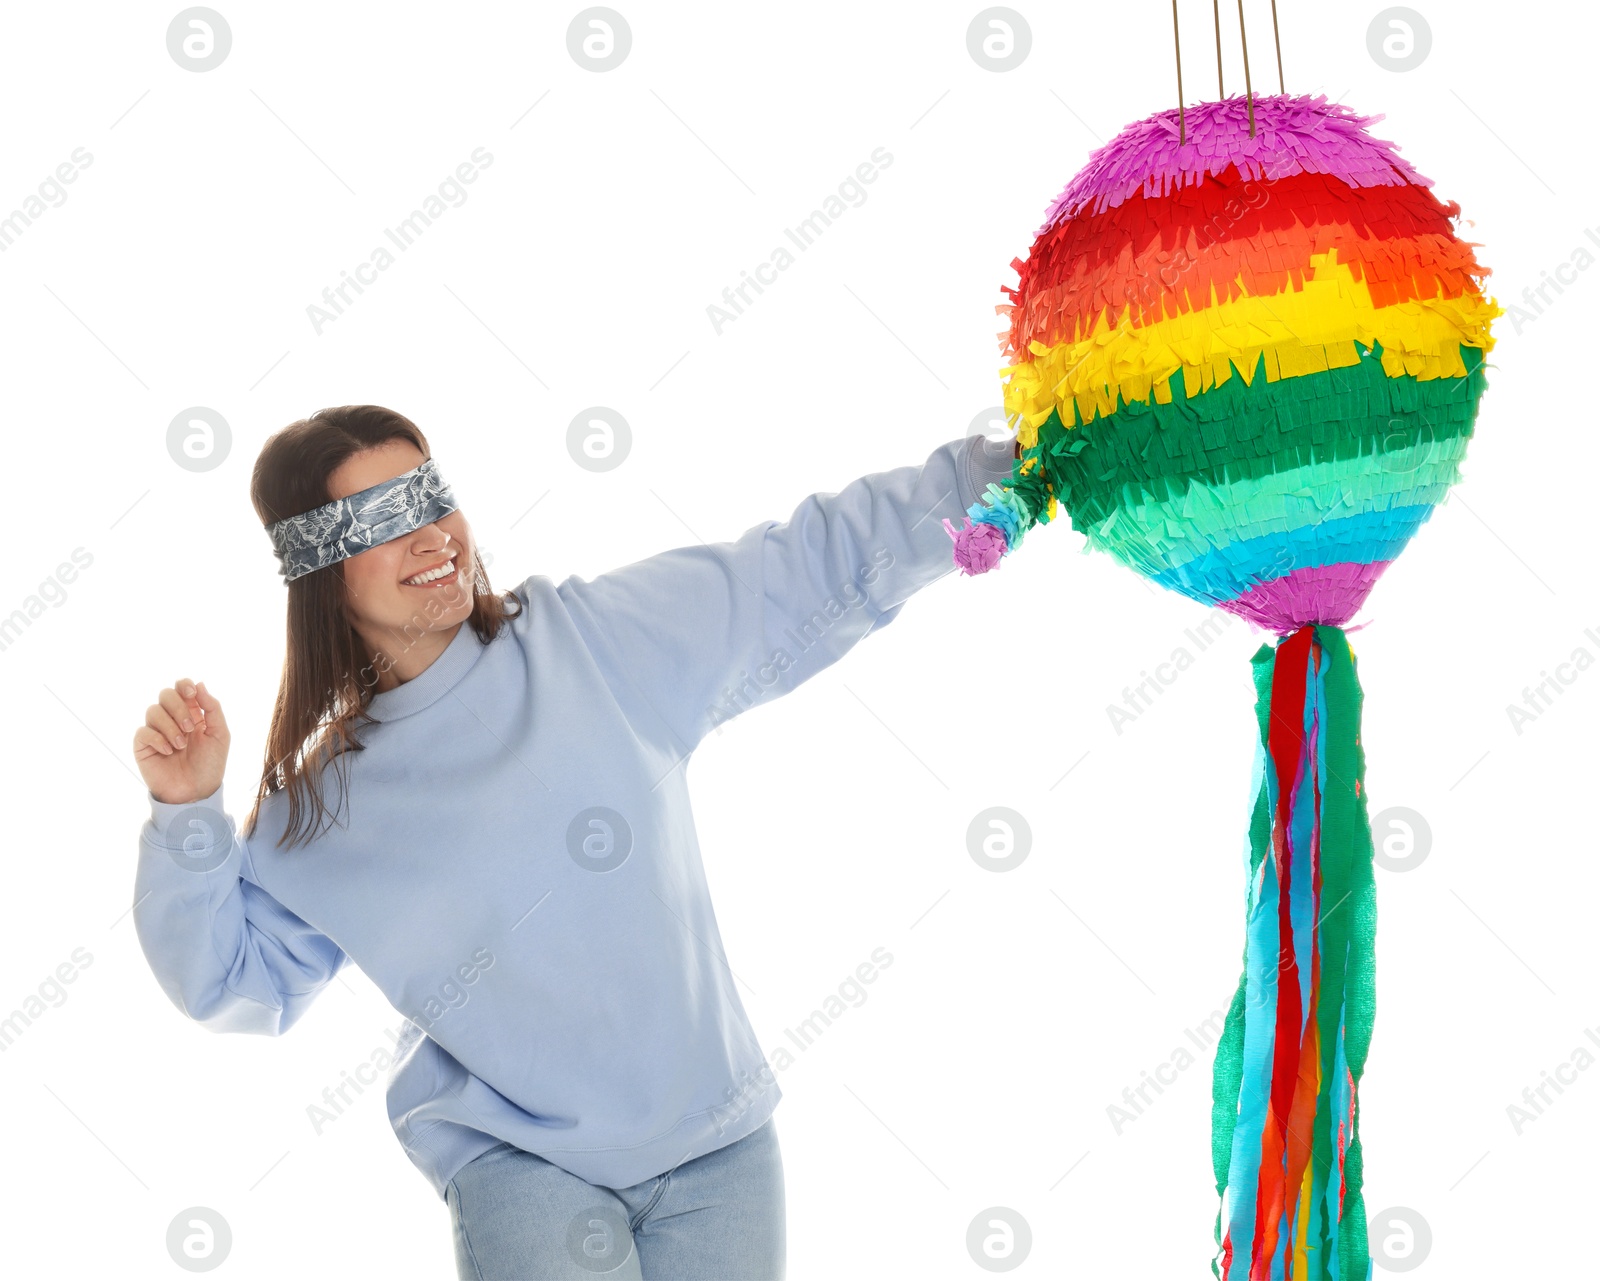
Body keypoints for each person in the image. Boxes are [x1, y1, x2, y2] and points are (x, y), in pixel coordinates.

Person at [131, 403, 1020, 1280]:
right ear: (318, 566)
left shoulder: (590, 639)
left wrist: (992, 475)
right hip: (521, 1165)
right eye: (383, 517)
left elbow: (801, 570)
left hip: (717, 1141)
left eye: (430, 495)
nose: (433, 534)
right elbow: (232, 980)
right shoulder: (321, 804)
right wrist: (188, 812)